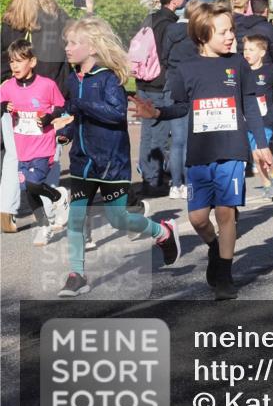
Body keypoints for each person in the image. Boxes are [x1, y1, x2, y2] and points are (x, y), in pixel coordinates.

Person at [132, 3, 273, 300]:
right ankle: (214, 248)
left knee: (226, 213)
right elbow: (181, 107)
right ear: (202, 34)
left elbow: (250, 104)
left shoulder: (238, 64)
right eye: (223, 31)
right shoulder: (185, 70)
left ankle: (224, 273)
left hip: (232, 150)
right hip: (199, 155)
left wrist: (261, 144)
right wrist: (156, 112)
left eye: (231, 30)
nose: (230, 37)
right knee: (198, 219)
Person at [58, 16, 180, 297]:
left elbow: (115, 115)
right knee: (75, 220)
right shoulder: (72, 78)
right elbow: (77, 113)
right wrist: (66, 130)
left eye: (74, 42)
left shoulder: (107, 78)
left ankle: (162, 232)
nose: (67, 47)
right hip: (82, 162)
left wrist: (83, 105)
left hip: (112, 163)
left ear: (92, 48)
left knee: (118, 219)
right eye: (67, 42)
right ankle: (76, 275)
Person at [0, 40, 70, 244]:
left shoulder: (46, 85)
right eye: (12, 61)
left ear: (32, 62)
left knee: (33, 183)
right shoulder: (8, 88)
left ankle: (58, 196)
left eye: (20, 61)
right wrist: (4, 107)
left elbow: (60, 106)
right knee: (28, 191)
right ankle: (44, 226)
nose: (14, 66)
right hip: (23, 148)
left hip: (43, 146)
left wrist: (48, 118)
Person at [134, 0, 185, 197]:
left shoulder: (150, 18)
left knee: (147, 131)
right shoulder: (169, 24)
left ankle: (147, 176)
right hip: (159, 81)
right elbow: (167, 54)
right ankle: (155, 180)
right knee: (159, 131)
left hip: (142, 80)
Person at [161, 0, 201, 200]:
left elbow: (164, 56)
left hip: (173, 82)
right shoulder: (197, 33)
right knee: (190, 139)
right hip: (193, 84)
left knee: (177, 139)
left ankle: (175, 185)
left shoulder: (171, 30)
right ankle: (189, 182)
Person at [243, 35, 273, 199]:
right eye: (245, 49)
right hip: (248, 120)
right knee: (256, 157)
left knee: (260, 152)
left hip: (266, 118)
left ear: (262, 52)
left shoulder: (269, 70)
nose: (246, 52)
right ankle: (267, 184)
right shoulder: (243, 71)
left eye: (251, 49)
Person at [235, 0, 273, 66]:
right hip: (263, 69)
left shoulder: (239, 25)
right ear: (266, 10)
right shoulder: (269, 28)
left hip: (242, 68)